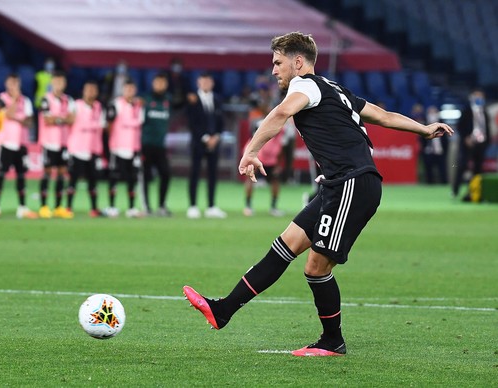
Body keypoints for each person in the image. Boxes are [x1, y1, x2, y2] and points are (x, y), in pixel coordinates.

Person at [183, 32, 453, 357]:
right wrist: (423, 129)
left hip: (351, 183)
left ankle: (332, 342)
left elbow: (281, 114)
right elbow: (383, 116)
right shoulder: (334, 89)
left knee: (316, 267)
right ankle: (223, 310)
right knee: (284, 246)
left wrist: (250, 150)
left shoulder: (305, 85)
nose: (273, 70)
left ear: (298, 62)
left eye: (278, 62)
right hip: (339, 185)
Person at [0, 73, 38, 219]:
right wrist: (15, 102)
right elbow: (7, 115)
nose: (13, 86)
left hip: (21, 143)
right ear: (6, 84)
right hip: (5, 142)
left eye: (16, 83)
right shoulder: (1, 99)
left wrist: (18, 117)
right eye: (11, 83)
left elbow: (29, 122)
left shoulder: (26, 101)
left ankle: (22, 207)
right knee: (1, 174)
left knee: (21, 175)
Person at [186, 72, 227, 219]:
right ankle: (192, 206)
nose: (205, 84)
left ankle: (211, 206)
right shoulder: (192, 100)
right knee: (195, 173)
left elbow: (221, 122)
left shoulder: (217, 99)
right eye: (203, 81)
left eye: (208, 81)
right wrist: (205, 138)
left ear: (212, 83)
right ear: (198, 82)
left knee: (212, 175)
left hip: (214, 143)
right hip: (198, 143)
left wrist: (215, 137)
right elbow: (192, 123)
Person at [37, 70, 75, 219]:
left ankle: (59, 206)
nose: (59, 85)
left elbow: (72, 120)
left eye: (61, 82)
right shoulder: (45, 99)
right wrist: (63, 119)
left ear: (64, 83)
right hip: (49, 143)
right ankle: (44, 206)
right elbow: (47, 120)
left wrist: (57, 119)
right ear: (52, 83)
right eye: (56, 82)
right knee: (46, 173)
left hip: (64, 142)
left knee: (61, 174)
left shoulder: (69, 100)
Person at [65, 80, 106, 217]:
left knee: (93, 181)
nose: (91, 92)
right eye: (88, 89)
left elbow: (102, 126)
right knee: (73, 180)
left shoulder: (99, 107)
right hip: (77, 148)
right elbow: (69, 120)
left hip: (93, 149)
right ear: (83, 91)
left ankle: (94, 208)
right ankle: (68, 208)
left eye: (93, 90)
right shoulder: (75, 105)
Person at [105, 78, 144, 218]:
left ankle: (132, 207)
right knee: (114, 177)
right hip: (117, 147)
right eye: (127, 89)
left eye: (132, 89)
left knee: (132, 178)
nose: (130, 91)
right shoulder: (116, 104)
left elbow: (140, 124)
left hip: (133, 147)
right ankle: (111, 206)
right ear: (123, 90)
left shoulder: (138, 106)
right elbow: (108, 125)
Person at [244, 83, 285, 217]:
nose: (263, 94)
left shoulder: (274, 108)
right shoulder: (255, 112)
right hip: (257, 150)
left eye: (265, 92)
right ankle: (248, 205)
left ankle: (273, 206)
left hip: (272, 150)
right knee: (251, 176)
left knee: (275, 178)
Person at [141, 72, 172, 216]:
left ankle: (161, 206)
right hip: (146, 144)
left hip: (160, 145)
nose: (160, 85)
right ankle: (146, 206)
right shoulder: (145, 100)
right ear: (153, 83)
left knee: (165, 173)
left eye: (162, 83)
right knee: (145, 176)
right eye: (157, 82)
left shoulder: (168, 100)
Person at [452, 88, 490, 200]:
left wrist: (486, 142)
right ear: (472, 97)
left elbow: (486, 129)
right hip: (468, 143)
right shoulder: (466, 111)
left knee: (478, 169)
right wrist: (466, 138)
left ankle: (476, 191)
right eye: (477, 96)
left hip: (480, 144)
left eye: (481, 96)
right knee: (462, 166)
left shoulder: (485, 112)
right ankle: (455, 190)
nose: (479, 98)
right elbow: (460, 127)